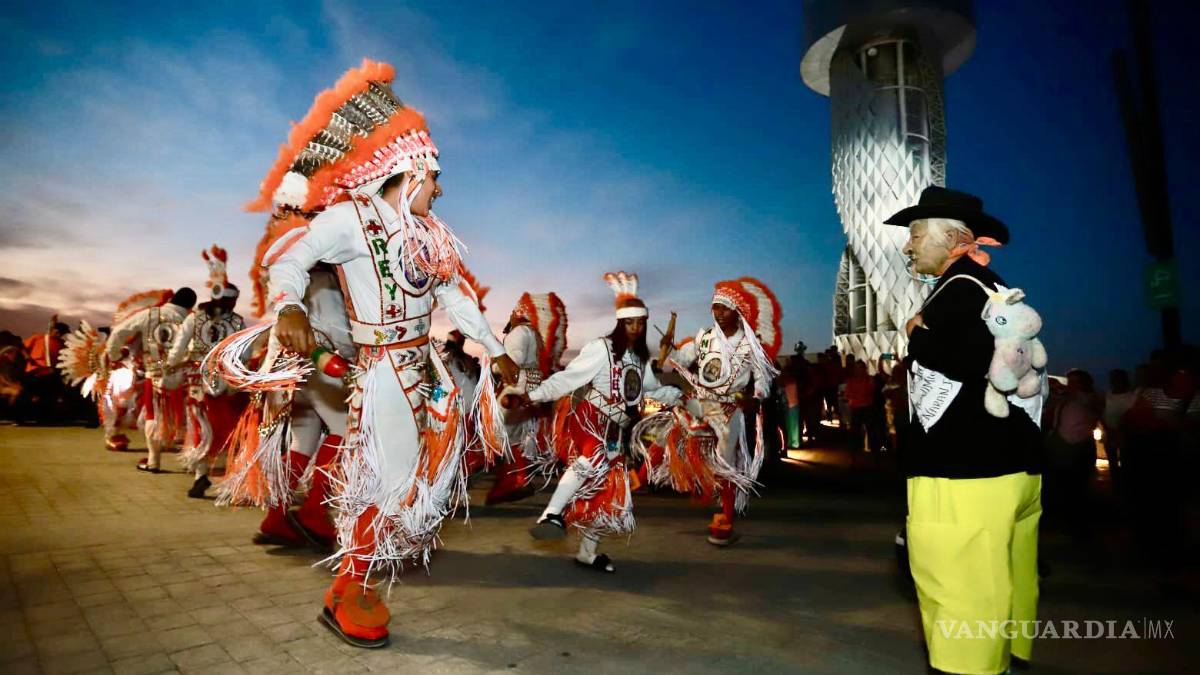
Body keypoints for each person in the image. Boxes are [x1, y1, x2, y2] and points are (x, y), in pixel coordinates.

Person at [250, 60, 518, 648]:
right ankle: (351, 586)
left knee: (410, 479)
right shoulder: (351, 219)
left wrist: (495, 347)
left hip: (425, 372)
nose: (440, 189)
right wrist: (289, 307)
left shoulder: (427, 232)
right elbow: (289, 259)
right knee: (388, 482)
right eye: (435, 178)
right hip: (382, 374)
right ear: (412, 172)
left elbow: (454, 295)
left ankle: (353, 582)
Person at [889, 186, 1044, 675]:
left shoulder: (958, 289)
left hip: (965, 473)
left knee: (960, 586)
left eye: (916, 235)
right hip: (1011, 466)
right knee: (1006, 575)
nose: (908, 246)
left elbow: (968, 359)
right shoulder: (991, 287)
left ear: (955, 240)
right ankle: (1007, 658)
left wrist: (915, 333)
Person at [521, 272, 680, 571]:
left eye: (640, 323)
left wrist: (679, 396)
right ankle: (551, 514)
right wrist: (533, 395)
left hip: (616, 431)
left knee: (611, 492)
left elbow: (652, 389)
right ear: (620, 323)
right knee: (592, 457)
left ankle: (588, 553)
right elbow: (569, 378)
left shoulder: (639, 359)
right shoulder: (601, 348)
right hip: (590, 419)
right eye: (629, 323)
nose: (635, 328)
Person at [643, 277, 782, 546]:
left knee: (725, 463)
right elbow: (682, 359)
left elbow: (762, 379)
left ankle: (725, 519)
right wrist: (668, 350)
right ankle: (637, 479)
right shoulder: (705, 337)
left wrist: (755, 397)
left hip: (729, 408)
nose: (717, 313)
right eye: (715, 307)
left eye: (724, 308)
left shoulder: (750, 344)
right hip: (702, 401)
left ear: (737, 312)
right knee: (669, 430)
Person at [170, 247, 248, 498]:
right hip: (227, 383)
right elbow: (244, 353)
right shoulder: (236, 321)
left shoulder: (195, 318)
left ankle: (201, 476)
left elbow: (177, 349)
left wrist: (174, 362)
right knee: (231, 429)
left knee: (201, 428)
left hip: (199, 383)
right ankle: (234, 477)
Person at [485, 291, 567, 504]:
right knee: (516, 438)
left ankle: (518, 480)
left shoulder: (518, 332)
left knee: (496, 430)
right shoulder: (533, 333)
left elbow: (514, 361)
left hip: (516, 388)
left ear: (517, 314)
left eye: (512, 313)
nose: (509, 317)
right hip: (529, 389)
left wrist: (493, 366)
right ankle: (517, 480)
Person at [107, 288, 197, 472]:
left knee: (153, 415)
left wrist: (114, 355)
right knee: (192, 417)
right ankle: (193, 463)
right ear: (190, 306)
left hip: (155, 375)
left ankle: (153, 461)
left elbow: (118, 333)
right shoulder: (193, 319)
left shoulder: (148, 315)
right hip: (185, 376)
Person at [17, 318, 68, 424]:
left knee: (47, 397)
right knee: (27, 395)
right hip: (34, 371)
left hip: (50, 374)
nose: (60, 335)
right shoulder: (38, 337)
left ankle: (43, 419)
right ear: (54, 330)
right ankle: (20, 418)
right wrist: (26, 356)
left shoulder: (61, 344)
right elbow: (21, 346)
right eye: (59, 332)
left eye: (62, 334)